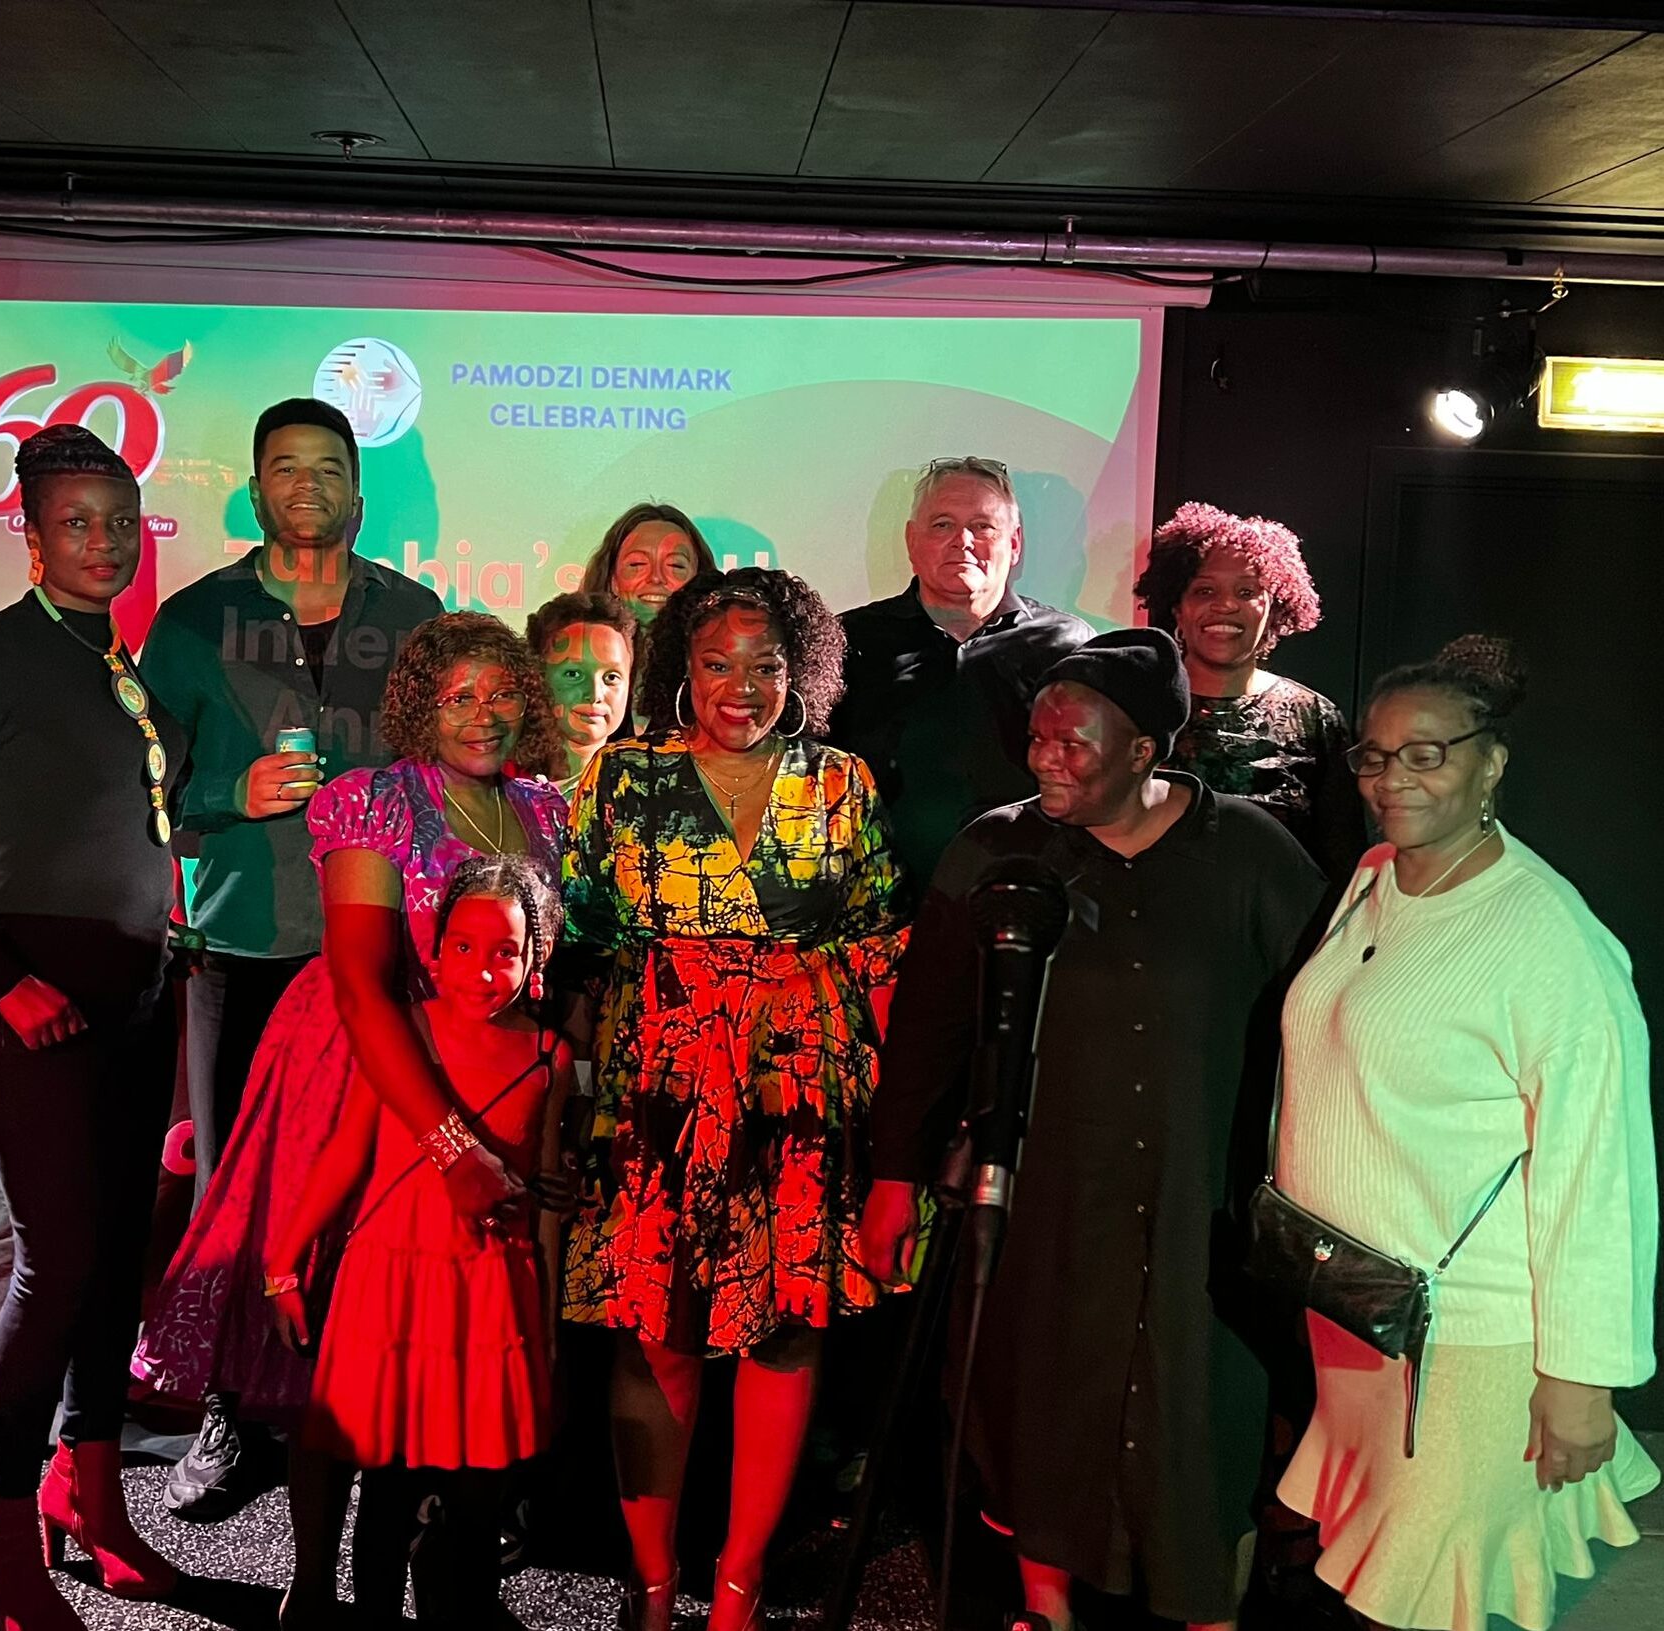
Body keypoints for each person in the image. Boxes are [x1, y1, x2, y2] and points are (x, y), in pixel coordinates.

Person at [861, 628, 1330, 1631]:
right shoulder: (996, 849)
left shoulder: (1250, 853)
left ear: (1143, 750)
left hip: (1198, 1209)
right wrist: (893, 1178)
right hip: (1047, 1206)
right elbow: (928, 1032)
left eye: (1072, 742)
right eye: (1037, 737)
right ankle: (1045, 1609)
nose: (1045, 758)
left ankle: (1207, 1611)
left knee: (1199, 1419)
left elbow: (1330, 1025)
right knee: (1038, 1404)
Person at [134, 614, 567, 1618]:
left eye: (501, 692)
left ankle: (444, 1567)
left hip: (483, 1070)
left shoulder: (543, 809)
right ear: (418, 705)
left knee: (442, 1335)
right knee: (338, 1354)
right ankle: (315, 1587)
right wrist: (449, 1144)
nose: (482, 714)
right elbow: (365, 986)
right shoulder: (374, 800)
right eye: (457, 696)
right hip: (359, 1070)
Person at [1272, 635, 1658, 1631]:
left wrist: (1580, 1376)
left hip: (1469, 1335)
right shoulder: (1373, 876)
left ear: (1490, 762)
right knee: (1383, 1578)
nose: (1392, 778)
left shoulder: (1551, 941)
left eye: (1426, 753)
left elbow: (1599, 1174)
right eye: (1374, 754)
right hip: (1357, 1306)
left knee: (1426, 1593)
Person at [562, 567, 906, 1631]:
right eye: (717, 663)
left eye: (765, 666)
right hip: (659, 1087)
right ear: (682, 669)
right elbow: (579, 938)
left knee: (785, 1331)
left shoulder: (840, 781)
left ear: (801, 673)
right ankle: (652, 1582)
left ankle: (738, 1584)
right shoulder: (623, 778)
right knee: (651, 1330)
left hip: (796, 1088)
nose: (741, 687)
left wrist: (898, 1122)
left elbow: (878, 942)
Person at [0, 425, 188, 1630]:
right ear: (28, 536)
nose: (104, 541)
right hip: (33, 992)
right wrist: (2, 977)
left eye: (119, 521)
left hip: (136, 990)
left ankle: (90, 1487)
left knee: (116, 1254)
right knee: (59, 1257)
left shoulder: (119, 664)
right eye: (76, 522)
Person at [141, 396, 442, 1519]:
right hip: (244, 940)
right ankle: (231, 1411)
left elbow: (455, 765)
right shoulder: (191, 621)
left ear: (358, 492)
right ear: (255, 488)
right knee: (235, 1187)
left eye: (327, 465)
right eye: (284, 465)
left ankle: (358, 1409)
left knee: (373, 1191)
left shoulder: (414, 616)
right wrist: (231, 790)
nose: (306, 483)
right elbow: (140, 787)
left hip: (382, 949)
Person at [263, 853, 572, 1629]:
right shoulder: (407, 1032)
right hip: (390, 1280)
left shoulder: (550, 1056)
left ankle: (458, 1602)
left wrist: (546, 1324)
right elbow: (347, 1150)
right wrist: (282, 1262)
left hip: (489, 1289)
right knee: (387, 1481)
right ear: (434, 951)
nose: (481, 970)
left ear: (535, 961)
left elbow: (543, 1189)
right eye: (462, 946)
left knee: (479, 1484)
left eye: (504, 951)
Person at [830, 456, 1095, 910]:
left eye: (982, 526)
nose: (963, 541)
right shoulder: (847, 642)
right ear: (912, 541)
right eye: (942, 525)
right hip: (878, 917)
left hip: (1033, 909)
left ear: (1014, 544)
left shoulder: (1069, 645)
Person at [1134, 501, 1359, 879]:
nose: (1224, 605)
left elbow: (1342, 862)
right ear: (1177, 608)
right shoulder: (1135, 707)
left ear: (1274, 608)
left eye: (1246, 591)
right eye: (1204, 590)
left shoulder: (1315, 719)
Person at [579, 503, 714, 734]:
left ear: (699, 579)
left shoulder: (716, 671)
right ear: (613, 579)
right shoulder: (577, 661)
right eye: (637, 564)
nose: (656, 578)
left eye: (675, 565)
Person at [525, 590, 637, 797]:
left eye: (611, 677)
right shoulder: (502, 791)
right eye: (574, 674)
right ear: (537, 678)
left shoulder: (643, 791)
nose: (595, 694)